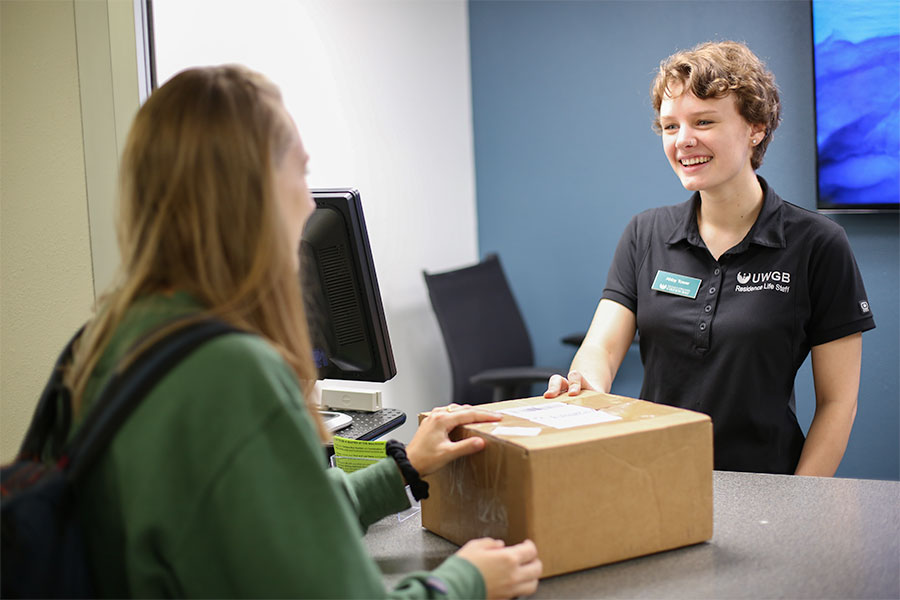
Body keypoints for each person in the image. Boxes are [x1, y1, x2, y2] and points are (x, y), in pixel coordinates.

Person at [60, 65, 541, 598]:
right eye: (301, 173)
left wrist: (403, 469)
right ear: (252, 194)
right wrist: (467, 580)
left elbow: (270, 519)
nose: (311, 204)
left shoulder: (111, 338)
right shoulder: (229, 372)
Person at [545, 41, 875, 476]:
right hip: (653, 478)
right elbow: (602, 349)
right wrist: (584, 383)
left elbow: (838, 403)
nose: (683, 141)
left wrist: (801, 503)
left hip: (767, 485)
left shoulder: (818, 244)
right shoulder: (645, 234)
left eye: (703, 121)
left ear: (755, 128)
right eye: (669, 126)